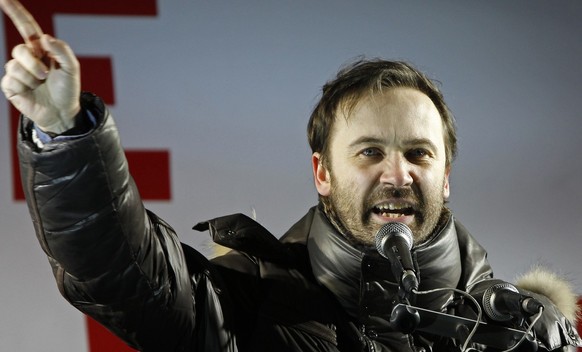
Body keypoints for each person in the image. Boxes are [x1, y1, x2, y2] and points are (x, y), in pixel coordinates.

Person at [1, 0, 580, 351]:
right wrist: (68, 133)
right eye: (370, 152)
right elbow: (121, 272)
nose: (397, 173)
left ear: (446, 176)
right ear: (322, 173)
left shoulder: (519, 329)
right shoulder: (249, 307)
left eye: (419, 154)